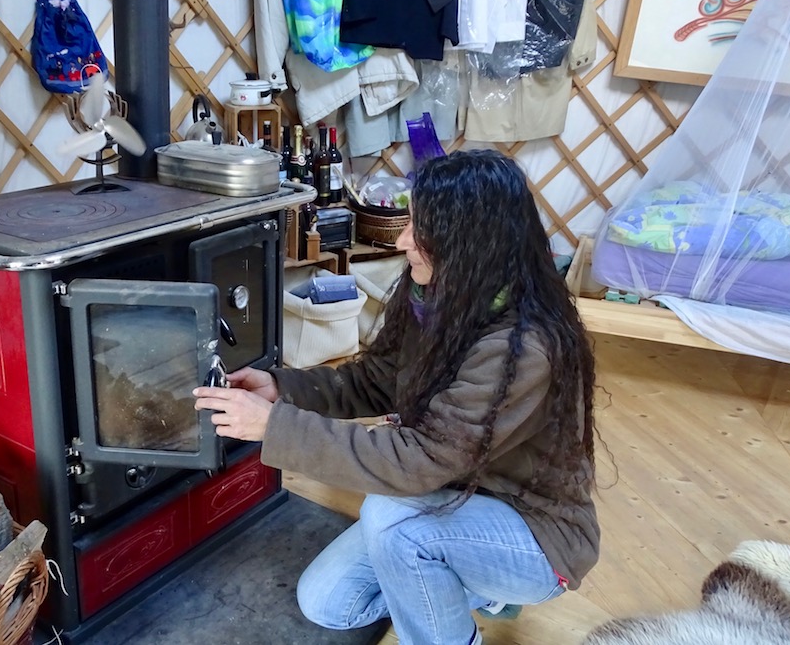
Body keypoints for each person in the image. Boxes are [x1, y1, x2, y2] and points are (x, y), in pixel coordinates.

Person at [193, 149, 600, 645]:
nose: (404, 239)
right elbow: (376, 380)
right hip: (453, 497)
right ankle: (471, 585)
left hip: (532, 533)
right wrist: (284, 388)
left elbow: (421, 461)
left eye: (421, 230)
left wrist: (274, 427)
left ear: (467, 243)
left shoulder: (524, 346)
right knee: (328, 604)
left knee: (391, 518)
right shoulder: (436, 299)